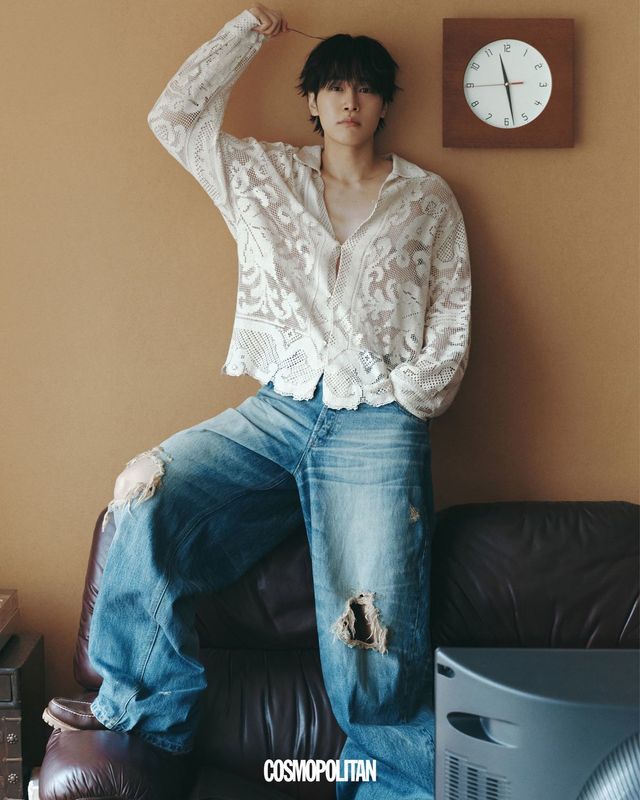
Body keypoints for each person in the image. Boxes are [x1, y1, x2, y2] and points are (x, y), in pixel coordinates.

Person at [43, 4, 471, 798]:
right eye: (334, 85)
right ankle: (146, 708)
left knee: (370, 619)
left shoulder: (427, 200)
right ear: (312, 100)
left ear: (385, 103)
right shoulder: (261, 177)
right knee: (145, 492)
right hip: (277, 410)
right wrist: (246, 31)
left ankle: (394, 777)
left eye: (366, 87)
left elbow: (451, 312)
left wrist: (410, 397)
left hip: (377, 426)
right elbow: (175, 119)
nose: (349, 100)